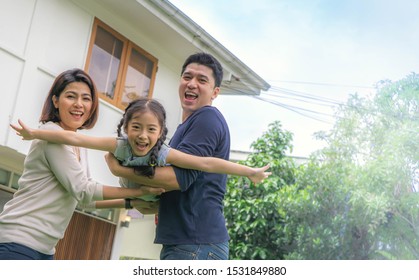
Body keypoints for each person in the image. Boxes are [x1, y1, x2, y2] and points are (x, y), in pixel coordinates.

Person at [0, 69, 164, 260]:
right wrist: (140, 192)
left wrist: (132, 203)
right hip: (18, 242)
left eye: (86, 99)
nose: (79, 104)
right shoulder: (52, 136)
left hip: (43, 249)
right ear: (55, 101)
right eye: (71, 96)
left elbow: (86, 200)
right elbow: (84, 190)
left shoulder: (77, 142)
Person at [104, 52, 246, 260]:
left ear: (215, 92)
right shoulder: (185, 128)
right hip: (189, 244)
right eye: (187, 77)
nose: (192, 84)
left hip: (195, 245)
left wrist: (120, 170)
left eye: (202, 80)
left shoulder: (207, 118)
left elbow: (178, 179)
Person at [10, 97, 271, 203]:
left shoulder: (163, 152)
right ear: (125, 127)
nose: (143, 136)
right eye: (136, 127)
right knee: (142, 205)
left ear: (160, 133)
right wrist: (34, 133)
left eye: (151, 130)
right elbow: (76, 139)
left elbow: (207, 164)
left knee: (154, 205)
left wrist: (248, 171)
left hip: (152, 199)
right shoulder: (119, 145)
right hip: (136, 194)